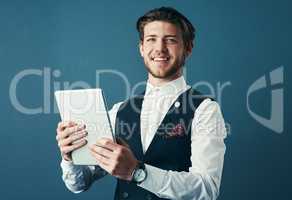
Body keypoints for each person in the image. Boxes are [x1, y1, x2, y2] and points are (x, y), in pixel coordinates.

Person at [56, 7, 227, 200]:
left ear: (188, 48)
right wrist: (70, 157)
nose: (160, 48)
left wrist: (137, 172)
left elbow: (207, 189)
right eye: (151, 39)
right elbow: (79, 184)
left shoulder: (205, 110)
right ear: (141, 48)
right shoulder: (118, 111)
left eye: (170, 40)